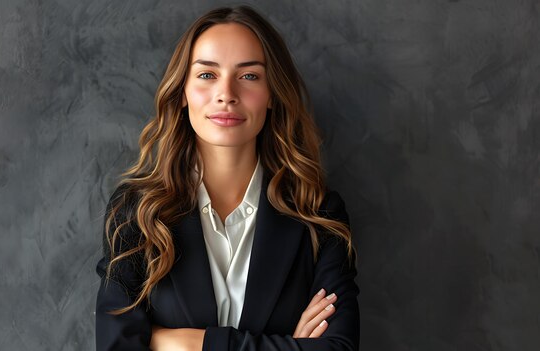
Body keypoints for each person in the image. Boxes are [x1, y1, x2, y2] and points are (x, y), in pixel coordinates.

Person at [95, 5, 359, 351]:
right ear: (182, 92)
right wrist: (285, 345)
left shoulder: (318, 213)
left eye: (249, 76)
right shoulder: (135, 211)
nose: (226, 94)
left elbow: (338, 348)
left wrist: (186, 344)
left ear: (272, 95)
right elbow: (116, 346)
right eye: (207, 75)